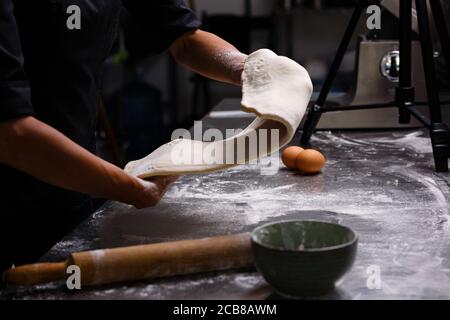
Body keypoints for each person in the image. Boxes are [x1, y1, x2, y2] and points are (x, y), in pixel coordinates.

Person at [0, 0, 248, 272]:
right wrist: (132, 189)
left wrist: (251, 70)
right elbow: (11, 134)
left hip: (75, 181)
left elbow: (184, 38)